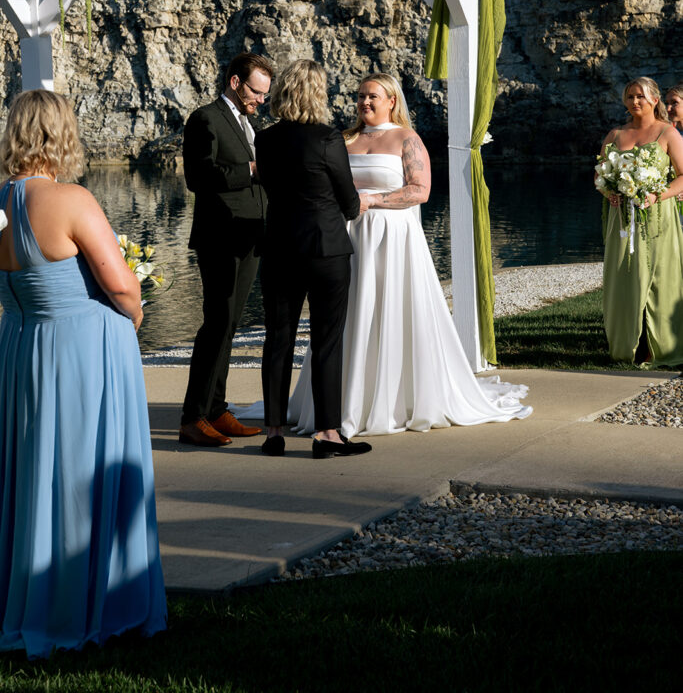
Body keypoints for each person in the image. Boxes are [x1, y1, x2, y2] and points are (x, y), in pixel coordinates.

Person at [0, 90, 166, 658]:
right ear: (61, 133)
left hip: (24, 345)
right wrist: (137, 311)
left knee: (33, 473)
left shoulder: (3, 201)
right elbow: (119, 282)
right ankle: (91, 603)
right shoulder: (70, 199)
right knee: (80, 472)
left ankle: (30, 597)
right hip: (83, 348)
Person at [289, 72, 532, 437]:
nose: (364, 103)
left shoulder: (407, 139)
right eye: (360, 96)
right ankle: (339, 402)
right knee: (346, 313)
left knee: (394, 308)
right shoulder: (341, 139)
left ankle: (399, 399)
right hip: (347, 238)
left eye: (372, 96)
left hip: (392, 238)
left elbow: (420, 191)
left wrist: (372, 200)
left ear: (391, 101)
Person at [255, 60, 372, 458]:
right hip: (326, 250)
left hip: (280, 250)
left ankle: (273, 432)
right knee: (326, 341)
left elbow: (271, 187)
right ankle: (327, 434)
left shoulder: (265, 140)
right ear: (317, 93)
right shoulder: (328, 139)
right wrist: (356, 203)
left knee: (278, 339)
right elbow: (349, 202)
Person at [180, 52, 273, 446]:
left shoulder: (249, 123)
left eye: (265, 95)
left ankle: (217, 410)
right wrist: (253, 170)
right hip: (220, 237)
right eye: (256, 92)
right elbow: (199, 176)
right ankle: (192, 416)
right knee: (216, 323)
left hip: (251, 235)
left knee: (230, 325)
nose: (261, 101)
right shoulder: (205, 119)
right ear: (235, 83)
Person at [598, 76, 683, 366]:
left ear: (654, 100)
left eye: (641, 97)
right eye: (630, 96)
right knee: (624, 279)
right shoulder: (614, 135)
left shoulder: (668, 134)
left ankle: (660, 347)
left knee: (659, 280)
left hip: (658, 218)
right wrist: (609, 190)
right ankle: (626, 347)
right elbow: (600, 174)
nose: (635, 101)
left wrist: (656, 196)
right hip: (622, 220)